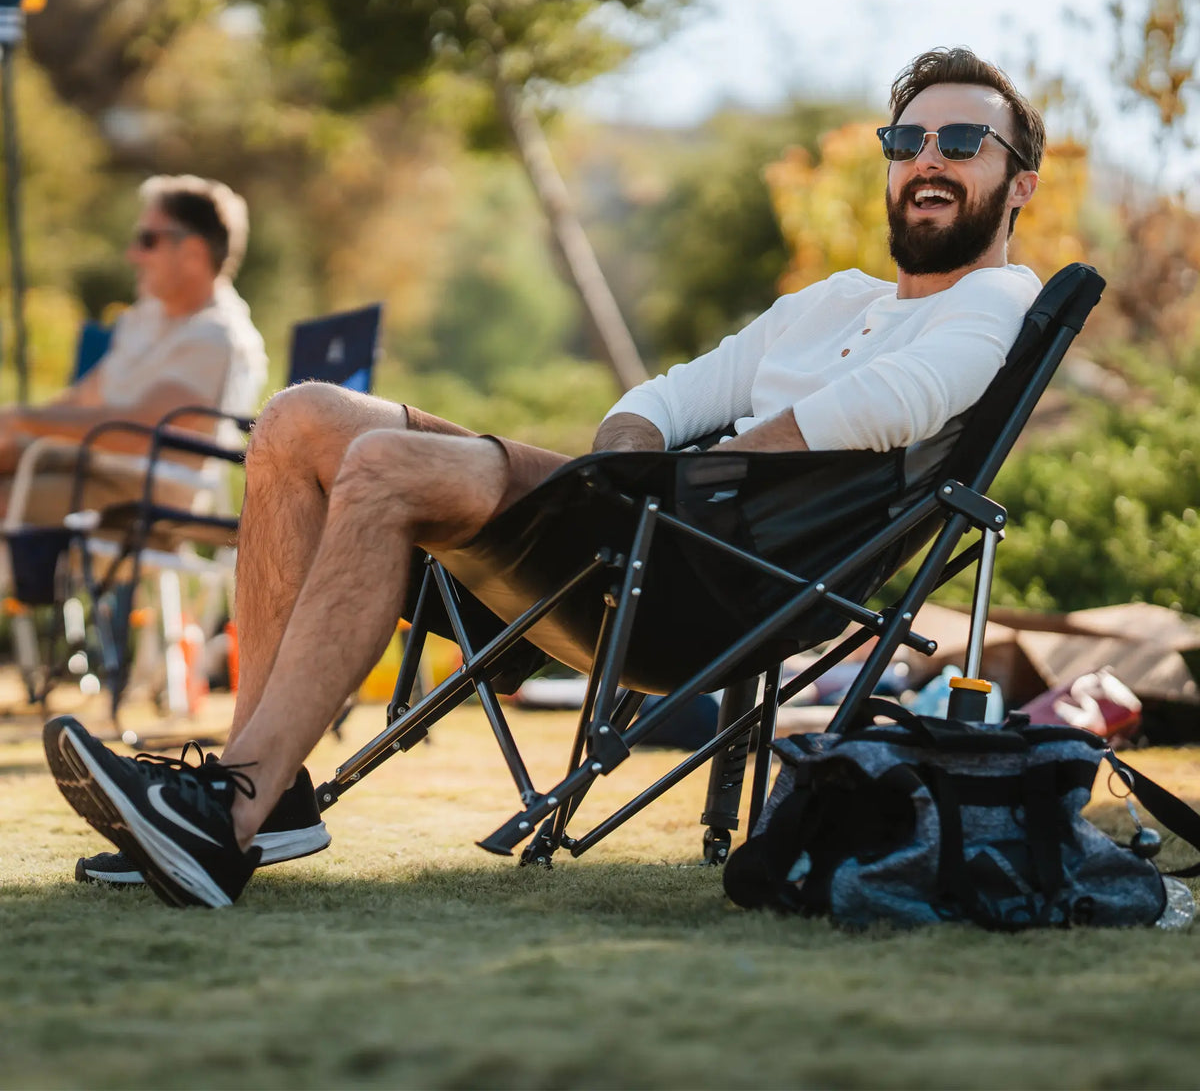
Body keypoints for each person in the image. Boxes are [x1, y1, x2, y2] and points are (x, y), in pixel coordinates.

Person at [46, 46, 1045, 908]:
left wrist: (685, 484)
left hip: (708, 579)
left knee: (384, 465)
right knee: (299, 419)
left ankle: (229, 807)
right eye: (907, 141)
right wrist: (624, 468)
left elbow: (883, 409)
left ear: (1019, 182)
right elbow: (666, 397)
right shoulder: (837, 300)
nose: (927, 161)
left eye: (961, 145)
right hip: (635, 523)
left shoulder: (999, 299)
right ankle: (249, 798)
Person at [0, 174, 267, 527]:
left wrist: (23, 420)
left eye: (148, 240)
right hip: (91, 463)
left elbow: (137, 432)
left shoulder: (218, 336)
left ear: (193, 253)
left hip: (143, 495)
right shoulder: (147, 315)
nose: (133, 254)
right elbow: (84, 398)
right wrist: (12, 426)